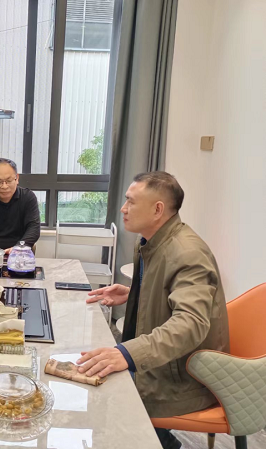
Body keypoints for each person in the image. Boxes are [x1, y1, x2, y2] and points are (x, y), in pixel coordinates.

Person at [78, 171, 229, 449]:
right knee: (91, 373)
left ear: (158, 209)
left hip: (183, 376)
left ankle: (161, 442)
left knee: (101, 393)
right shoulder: (150, 241)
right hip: (165, 362)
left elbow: (191, 324)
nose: (123, 209)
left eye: (131, 202)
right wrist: (132, 293)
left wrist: (128, 354)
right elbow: (168, 295)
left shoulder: (188, 254)